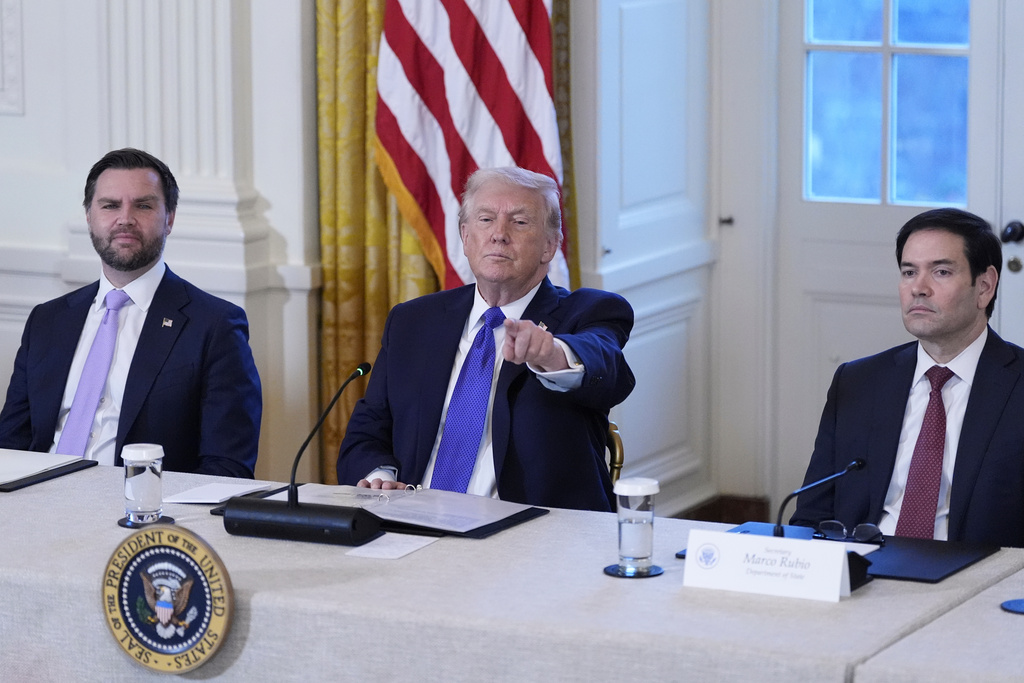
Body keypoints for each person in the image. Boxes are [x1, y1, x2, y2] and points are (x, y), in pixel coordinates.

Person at [337, 167, 635, 511]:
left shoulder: (588, 312)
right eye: (486, 219)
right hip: (411, 523)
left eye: (520, 222)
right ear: (465, 237)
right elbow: (368, 428)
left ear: (550, 246)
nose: (499, 235)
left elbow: (607, 366)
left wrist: (554, 355)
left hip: (532, 536)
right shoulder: (412, 321)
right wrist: (379, 475)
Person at [0, 148, 262, 478]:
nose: (125, 218)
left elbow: (227, 468)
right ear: (89, 217)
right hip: (35, 503)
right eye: (110, 205)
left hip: (141, 516)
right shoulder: (48, 320)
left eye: (143, 205)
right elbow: (9, 445)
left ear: (169, 218)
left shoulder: (215, 326)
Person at [791, 207, 1024, 547]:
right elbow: (813, 514)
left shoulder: (1016, 384)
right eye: (909, 272)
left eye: (941, 272)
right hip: (864, 569)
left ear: (985, 287)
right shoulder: (857, 381)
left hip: (974, 576)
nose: (919, 288)